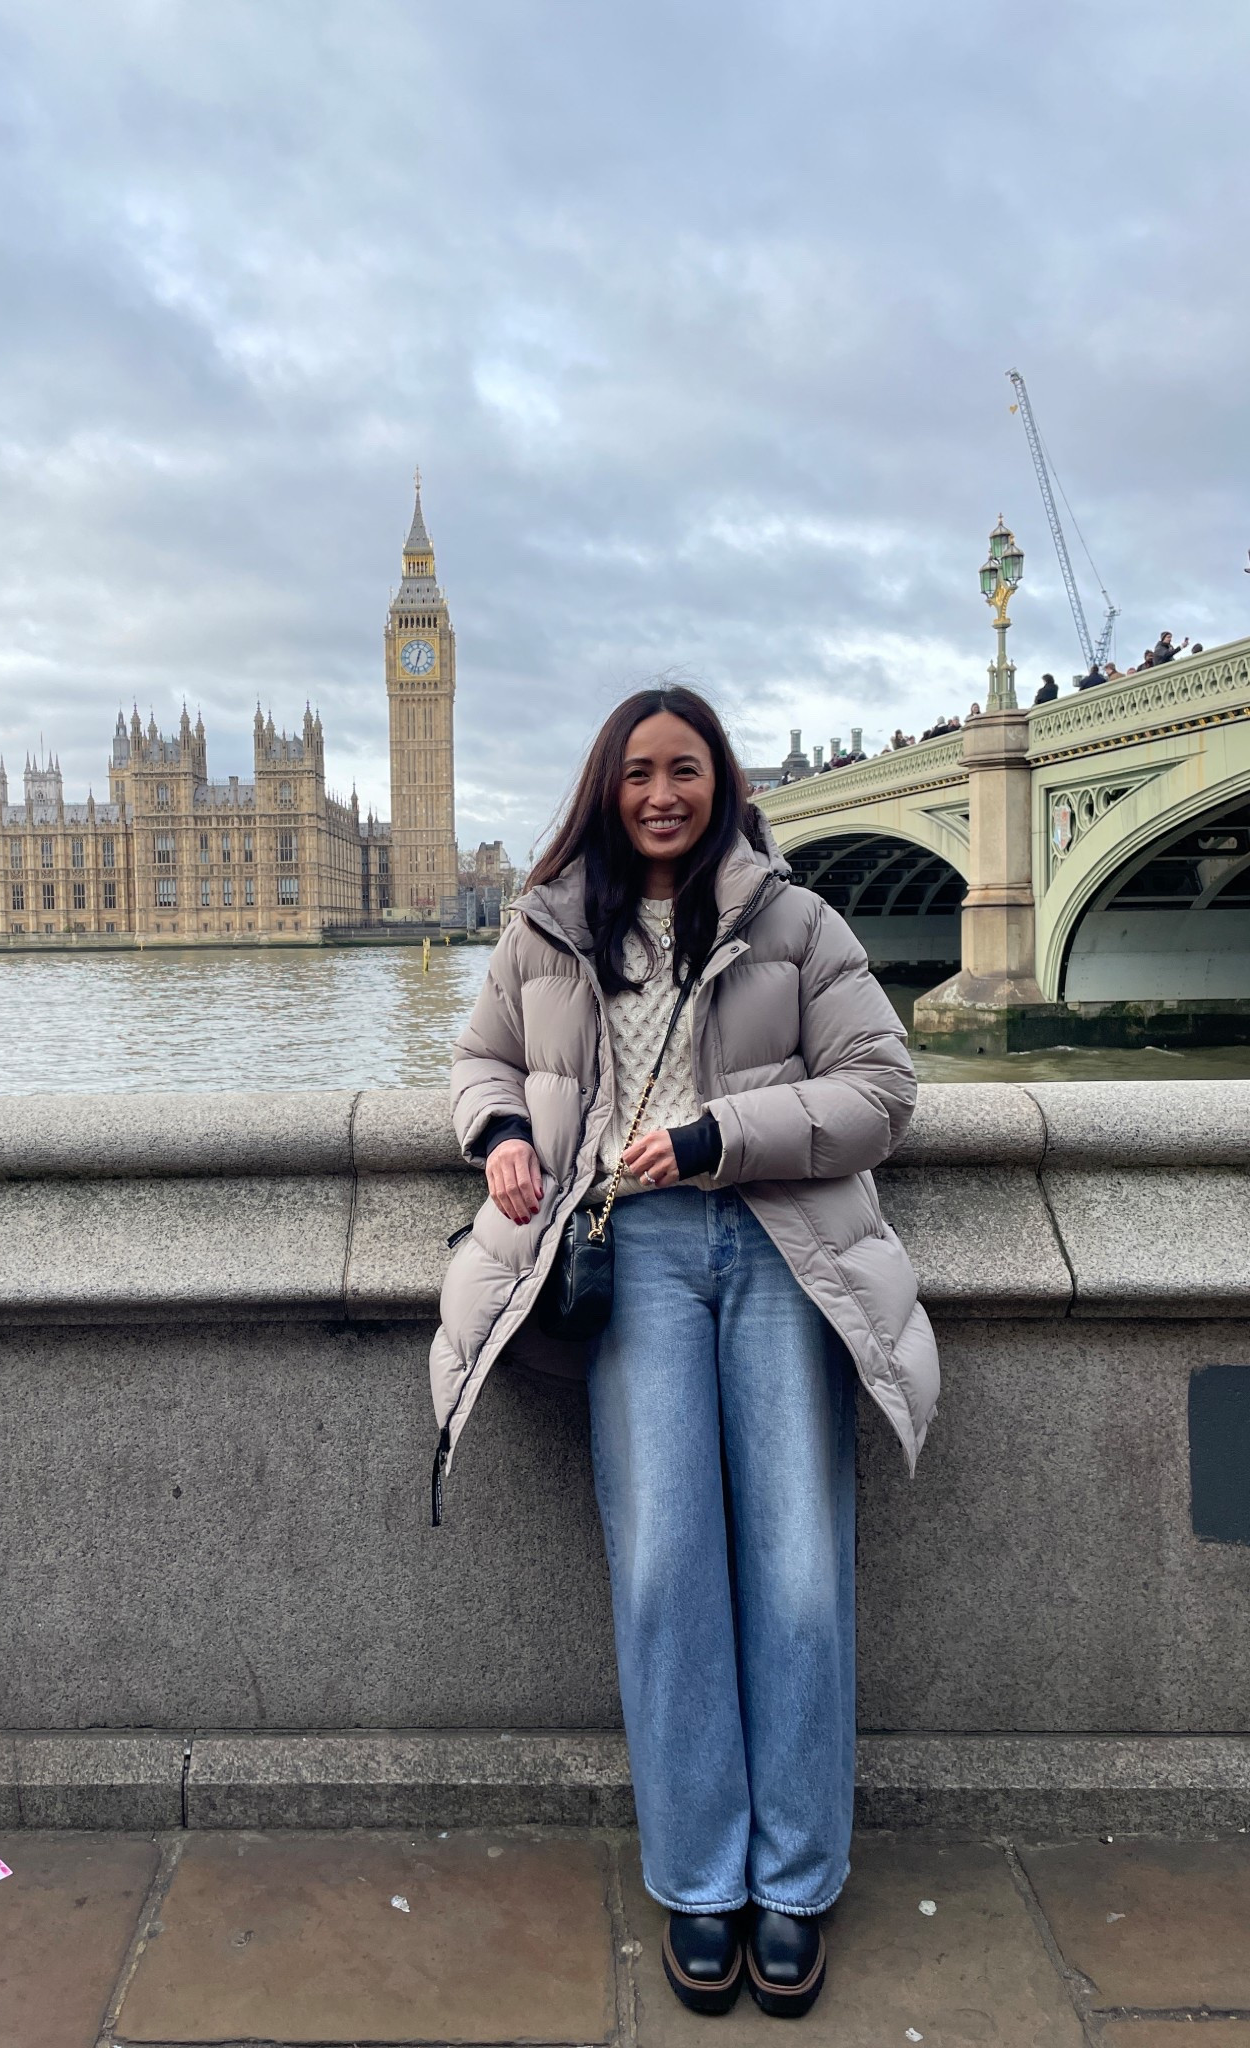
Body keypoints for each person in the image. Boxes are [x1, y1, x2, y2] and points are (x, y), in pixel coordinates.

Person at [433, 685, 938, 2021]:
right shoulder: (544, 931)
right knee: (665, 1564)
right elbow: (479, 1064)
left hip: (772, 1249)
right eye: (640, 772)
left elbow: (881, 1091)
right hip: (630, 1260)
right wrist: (503, 1143)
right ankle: (704, 1886)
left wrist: (721, 1136)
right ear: (606, 786)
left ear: (723, 783)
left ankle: (797, 1884)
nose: (663, 794)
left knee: (797, 1566)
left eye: (687, 770)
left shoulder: (796, 919)